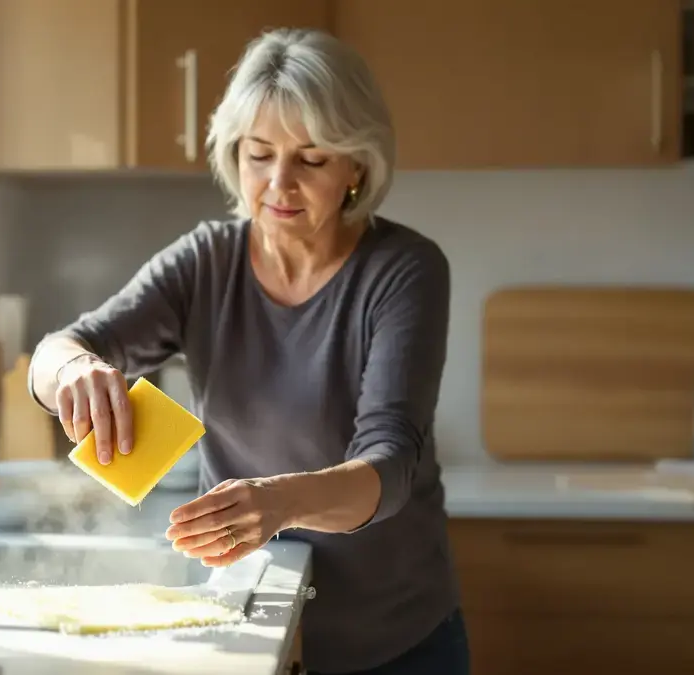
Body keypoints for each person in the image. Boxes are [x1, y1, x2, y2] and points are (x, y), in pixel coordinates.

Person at [27, 27, 467, 675]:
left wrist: (280, 503)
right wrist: (76, 368)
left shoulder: (404, 270)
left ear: (357, 166)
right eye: (259, 154)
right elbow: (57, 350)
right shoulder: (207, 260)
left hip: (394, 639)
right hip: (251, 622)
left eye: (311, 160)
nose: (278, 183)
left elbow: (392, 463)